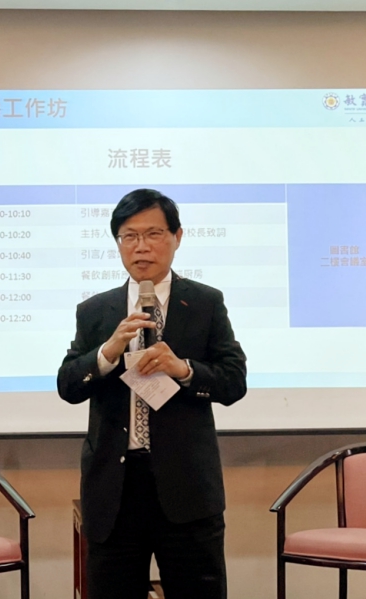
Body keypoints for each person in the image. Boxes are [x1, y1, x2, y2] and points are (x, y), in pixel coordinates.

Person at [57, 188, 247, 599]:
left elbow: (234, 382)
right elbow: (68, 386)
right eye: (129, 236)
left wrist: (183, 369)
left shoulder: (205, 303)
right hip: (115, 490)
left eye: (153, 234)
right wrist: (107, 353)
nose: (141, 246)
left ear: (177, 237)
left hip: (186, 487)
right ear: (118, 243)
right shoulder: (95, 311)